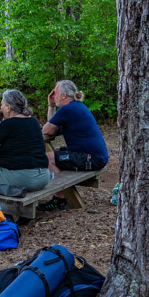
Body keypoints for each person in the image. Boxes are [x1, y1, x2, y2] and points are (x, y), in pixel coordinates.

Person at [38, 80, 109, 210]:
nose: (53, 95)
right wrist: (51, 105)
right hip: (96, 156)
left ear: (64, 96)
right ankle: (62, 196)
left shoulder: (67, 109)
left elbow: (46, 130)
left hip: (91, 158)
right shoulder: (77, 106)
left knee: (47, 158)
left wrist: (52, 108)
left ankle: (59, 199)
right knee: (58, 151)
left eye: (56, 92)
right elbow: (52, 127)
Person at [0, 89, 52, 193]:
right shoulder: (33, 121)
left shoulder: (9, 124)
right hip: (43, 176)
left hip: (25, 179)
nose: (1, 108)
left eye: (2, 104)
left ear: (8, 107)